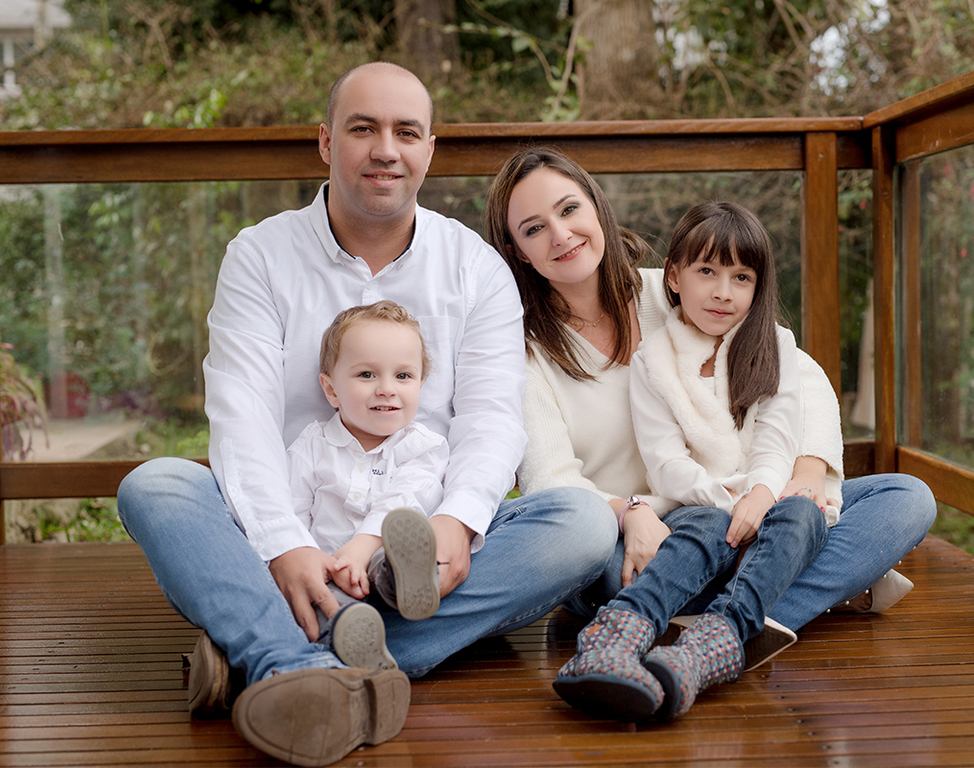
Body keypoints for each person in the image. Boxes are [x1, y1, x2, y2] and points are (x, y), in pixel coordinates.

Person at [116, 65, 615, 767]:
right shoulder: (259, 257)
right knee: (156, 486)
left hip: (416, 546)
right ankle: (307, 661)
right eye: (363, 129)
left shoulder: (475, 268)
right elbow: (242, 420)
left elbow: (493, 419)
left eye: (406, 132)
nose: (387, 149)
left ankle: (268, 657)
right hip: (288, 527)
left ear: (429, 150)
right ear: (326, 143)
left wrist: (459, 519)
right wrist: (283, 547)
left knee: (583, 523)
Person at [482, 146, 935, 697]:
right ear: (518, 251)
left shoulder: (675, 287)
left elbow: (799, 373)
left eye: (569, 209)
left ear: (596, 208)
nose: (561, 234)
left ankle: (706, 630)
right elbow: (550, 485)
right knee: (603, 562)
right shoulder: (523, 354)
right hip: (639, 542)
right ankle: (754, 609)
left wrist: (807, 475)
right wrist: (631, 514)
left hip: (744, 503)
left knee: (903, 496)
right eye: (534, 228)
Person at [556, 200, 843, 720]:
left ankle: (708, 645)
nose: (721, 292)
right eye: (706, 271)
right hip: (698, 507)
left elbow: (778, 439)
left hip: (771, 499)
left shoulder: (775, 346)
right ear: (673, 278)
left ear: (758, 288)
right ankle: (620, 632)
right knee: (708, 527)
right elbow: (665, 464)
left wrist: (762, 495)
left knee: (815, 511)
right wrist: (735, 504)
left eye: (741, 277)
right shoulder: (653, 361)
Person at [288, 301, 446, 624]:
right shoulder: (313, 446)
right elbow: (291, 510)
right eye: (366, 374)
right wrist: (311, 559)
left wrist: (361, 548)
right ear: (332, 390)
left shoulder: (422, 447)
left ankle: (406, 587)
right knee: (327, 604)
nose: (386, 389)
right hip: (327, 572)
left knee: (391, 560)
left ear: (420, 385)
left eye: (403, 375)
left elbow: (407, 501)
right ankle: (352, 631)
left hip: (384, 564)